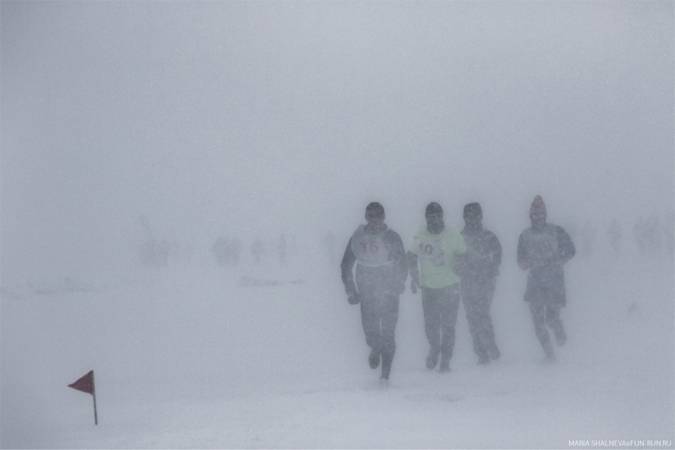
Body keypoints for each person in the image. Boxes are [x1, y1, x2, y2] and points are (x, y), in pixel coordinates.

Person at [341, 202, 408, 381]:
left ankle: (385, 376)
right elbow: (346, 264)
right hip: (367, 289)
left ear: (384, 217)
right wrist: (350, 290)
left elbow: (403, 262)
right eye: (371, 216)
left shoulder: (392, 237)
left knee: (388, 333)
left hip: (389, 289)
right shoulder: (358, 237)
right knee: (370, 332)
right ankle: (375, 347)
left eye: (378, 215)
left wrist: (400, 282)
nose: (375, 220)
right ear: (366, 217)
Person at [408, 202, 466, 373]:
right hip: (429, 288)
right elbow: (411, 256)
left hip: (450, 286)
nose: (434, 220)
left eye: (437, 216)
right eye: (430, 217)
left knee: (449, 326)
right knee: (431, 326)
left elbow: (463, 254)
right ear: (426, 218)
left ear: (442, 217)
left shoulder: (453, 234)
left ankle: (446, 361)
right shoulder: (420, 235)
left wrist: (460, 265)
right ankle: (434, 349)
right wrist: (414, 276)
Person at [517, 195, 575, 361]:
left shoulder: (556, 231)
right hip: (535, 282)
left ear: (546, 214)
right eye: (535, 214)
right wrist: (528, 263)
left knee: (551, 316)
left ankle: (558, 330)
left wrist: (558, 261)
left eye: (541, 214)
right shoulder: (525, 235)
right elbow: (520, 262)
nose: (538, 217)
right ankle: (549, 353)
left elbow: (571, 250)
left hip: (554, 281)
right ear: (530, 216)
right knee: (537, 321)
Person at [456, 202, 502, 365]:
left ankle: (490, 345)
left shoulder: (489, 237)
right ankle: (481, 352)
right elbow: (455, 259)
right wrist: (462, 270)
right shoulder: (459, 237)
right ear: (464, 217)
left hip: (485, 281)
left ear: (481, 216)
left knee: (481, 312)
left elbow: (497, 256)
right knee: (472, 316)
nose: (472, 218)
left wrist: (489, 269)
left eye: (475, 215)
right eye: (469, 215)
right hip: (467, 281)